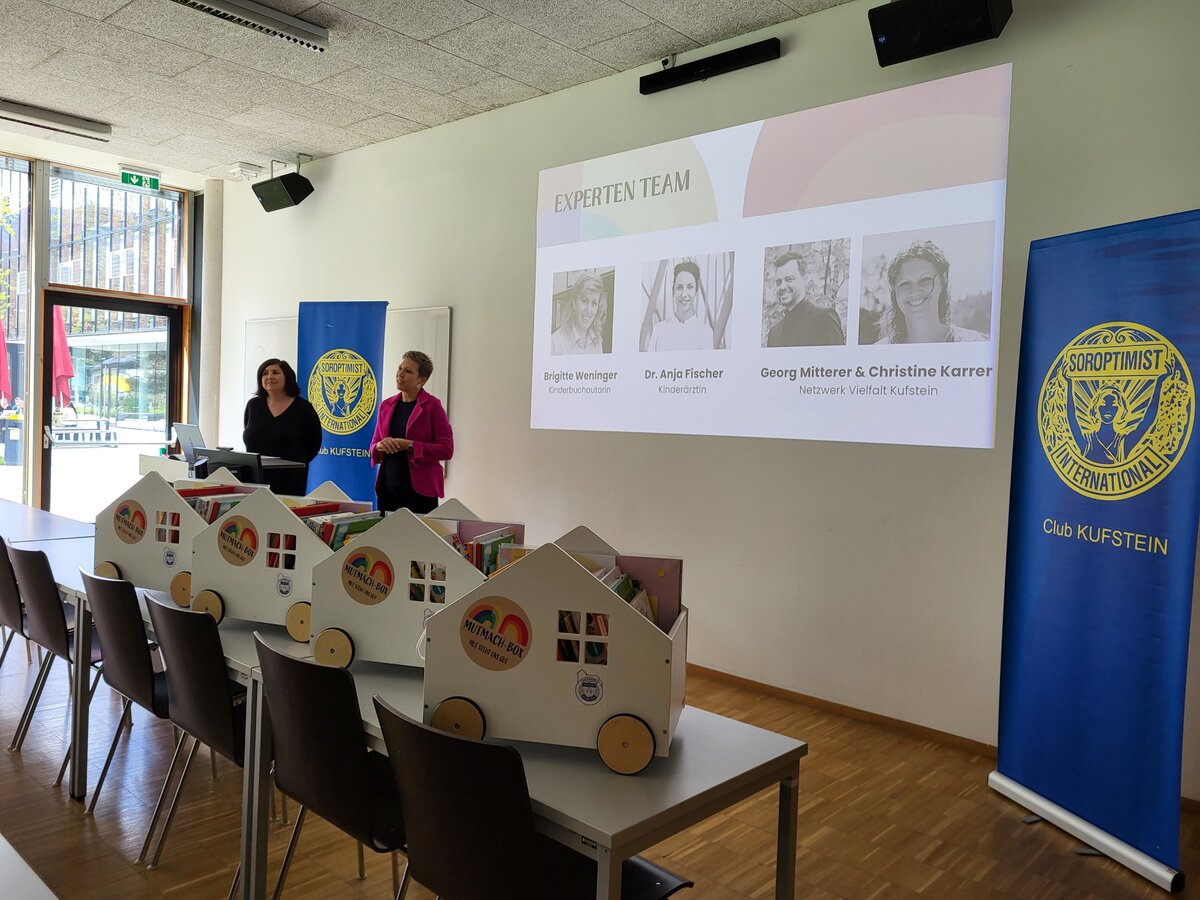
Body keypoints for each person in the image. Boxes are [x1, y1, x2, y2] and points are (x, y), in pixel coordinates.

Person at [370, 350, 454, 514]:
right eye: (400, 368)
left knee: (416, 539)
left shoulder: (433, 407)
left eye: (408, 371)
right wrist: (381, 445)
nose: (400, 374)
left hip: (420, 493)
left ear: (422, 380)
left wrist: (409, 445)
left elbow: (446, 449)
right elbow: (374, 444)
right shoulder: (386, 406)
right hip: (388, 489)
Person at [877, 240, 987, 344]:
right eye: (905, 283)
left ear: (943, 281)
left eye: (925, 280)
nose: (914, 291)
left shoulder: (973, 343)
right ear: (894, 290)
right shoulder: (879, 352)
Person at [242, 358, 322, 495]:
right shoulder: (253, 405)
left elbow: (314, 443)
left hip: (290, 480)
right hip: (255, 479)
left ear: (287, 377)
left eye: (275, 372)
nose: (269, 377)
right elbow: (250, 433)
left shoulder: (303, 408)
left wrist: (295, 462)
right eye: (265, 373)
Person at [765, 251, 844, 346]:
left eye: (789, 279)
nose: (782, 287)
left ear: (805, 280)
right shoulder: (774, 332)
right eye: (778, 282)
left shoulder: (824, 319)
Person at [647, 261, 714, 351]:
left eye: (689, 287)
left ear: (696, 291)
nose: (684, 294)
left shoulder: (706, 333)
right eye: (679, 288)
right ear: (673, 291)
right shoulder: (659, 330)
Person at [551, 273, 607, 355]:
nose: (589, 310)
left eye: (594, 303)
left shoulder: (598, 342)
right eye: (584, 301)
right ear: (574, 303)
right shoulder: (555, 342)